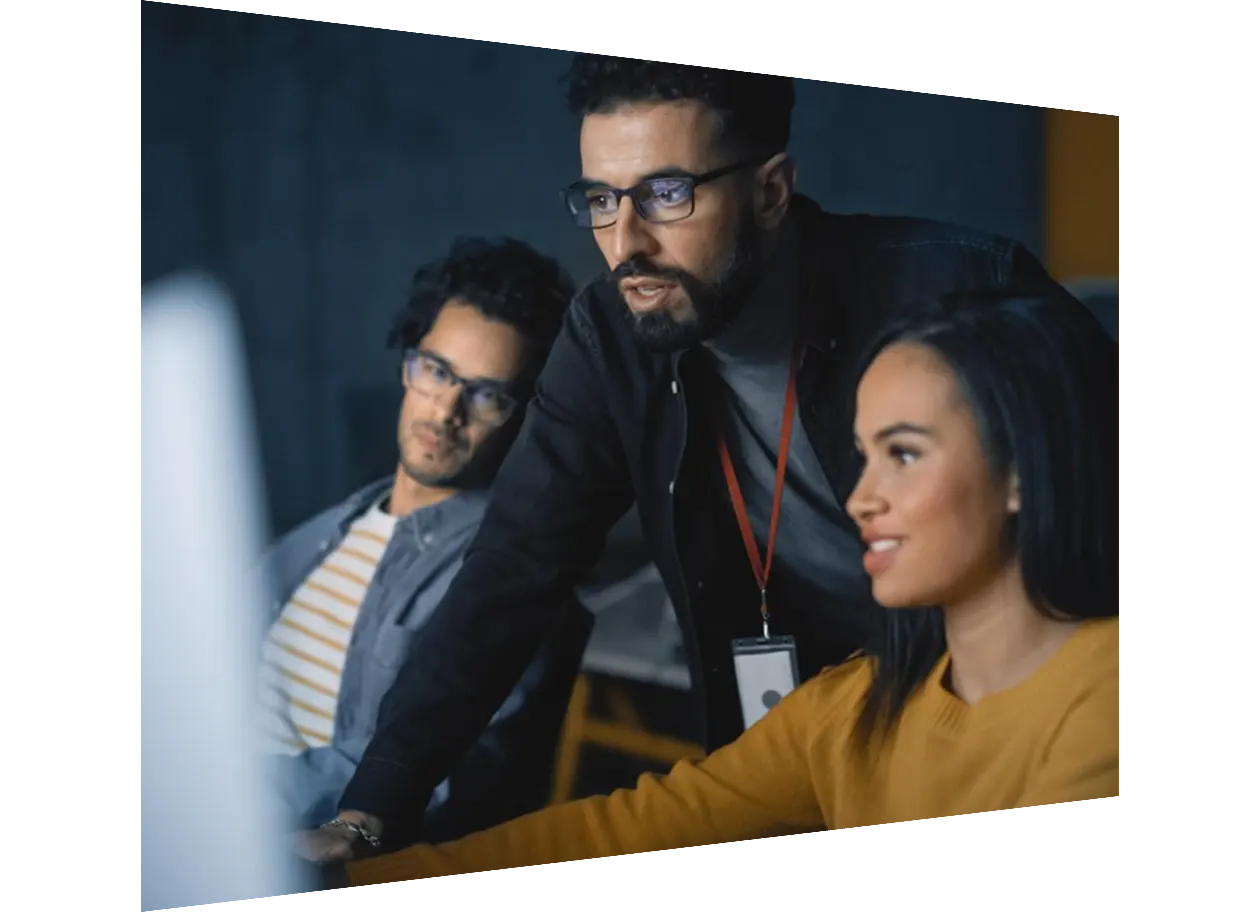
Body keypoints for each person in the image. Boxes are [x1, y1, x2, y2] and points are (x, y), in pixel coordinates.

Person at [300, 52, 1096, 859]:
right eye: (602, 200)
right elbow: (510, 572)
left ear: (771, 191)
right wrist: (365, 822)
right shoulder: (607, 336)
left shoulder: (958, 291)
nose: (624, 244)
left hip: (998, 711)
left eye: (667, 194)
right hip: (812, 731)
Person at [334, 289, 1121, 887]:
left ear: (1021, 470)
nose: (858, 500)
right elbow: (634, 833)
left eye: (905, 454)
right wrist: (347, 886)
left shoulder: (1132, 699)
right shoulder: (855, 706)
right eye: (861, 455)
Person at [258, 237, 592, 847]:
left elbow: (428, 776)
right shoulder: (326, 530)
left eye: (487, 395)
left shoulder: (512, 585)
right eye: (437, 371)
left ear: (522, 416)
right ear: (408, 362)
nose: (445, 412)